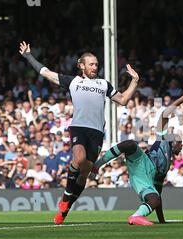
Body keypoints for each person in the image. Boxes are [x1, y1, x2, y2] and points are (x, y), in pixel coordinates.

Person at [18, 41, 140, 224]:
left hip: (97, 132)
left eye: (96, 64)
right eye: (91, 64)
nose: (94, 67)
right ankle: (66, 196)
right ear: (81, 65)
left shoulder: (103, 84)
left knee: (84, 173)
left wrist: (135, 81)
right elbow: (45, 72)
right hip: (79, 127)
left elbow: (122, 100)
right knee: (79, 159)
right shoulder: (73, 81)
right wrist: (28, 56)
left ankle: (65, 210)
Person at [91, 90, 183, 225]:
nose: (181, 147)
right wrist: (182, 98)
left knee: (154, 199)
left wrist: (162, 221)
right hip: (143, 162)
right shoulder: (163, 139)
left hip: (144, 179)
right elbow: (164, 115)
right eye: (179, 143)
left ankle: (135, 216)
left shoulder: (166, 166)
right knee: (130, 144)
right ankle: (97, 165)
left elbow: (158, 190)